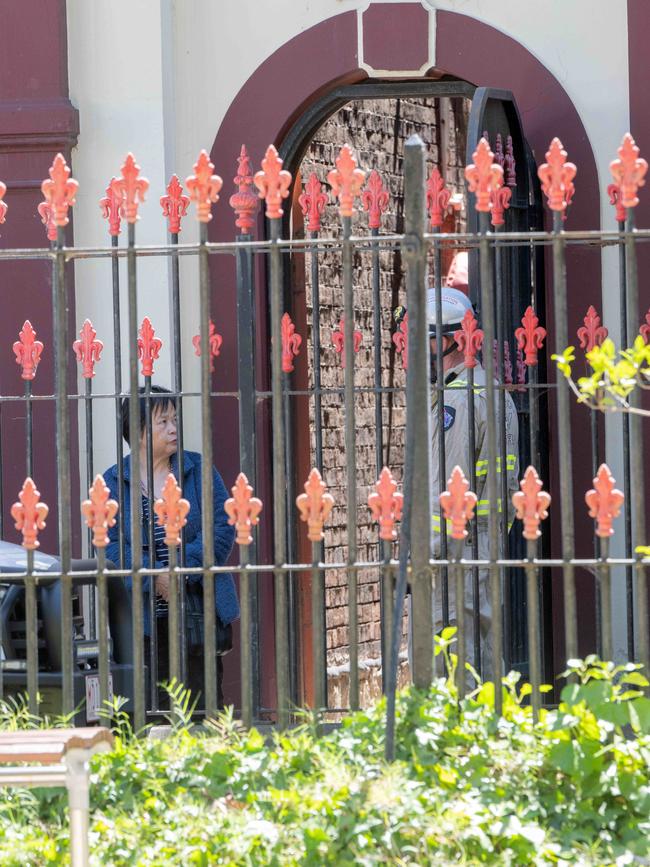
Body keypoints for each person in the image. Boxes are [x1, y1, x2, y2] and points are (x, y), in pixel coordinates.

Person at [398, 287, 519, 680]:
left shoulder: (459, 400)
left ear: (450, 340)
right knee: (476, 653)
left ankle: (462, 740)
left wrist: (418, 558)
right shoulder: (485, 388)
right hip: (477, 545)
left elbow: (443, 491)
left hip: (452, 552)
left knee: (450, 663)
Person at [103, 386, 238, 709]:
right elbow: (111, 547)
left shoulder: (197, 469)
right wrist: (155, 577)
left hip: (196, 606)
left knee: (202, 704)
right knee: (152, 704)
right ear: (137, 431)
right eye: (163, 422)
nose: (174, 428)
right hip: (144, 615)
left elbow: (222, 527)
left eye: (175, 420)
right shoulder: (113, 481)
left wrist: (180, 571)